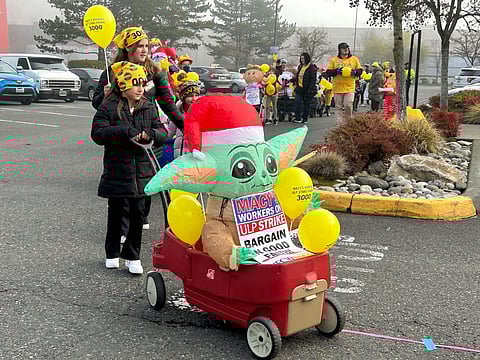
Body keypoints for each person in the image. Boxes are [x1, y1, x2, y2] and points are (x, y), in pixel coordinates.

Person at [91, 27, 184, 231]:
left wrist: (187, 126)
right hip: (121, 136)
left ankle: (139, 217)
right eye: (139, 46)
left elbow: (168, 105)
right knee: (123, 184)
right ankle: (123, 230)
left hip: (148, 135)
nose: (144, 50)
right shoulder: (111, 72)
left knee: (146, 184)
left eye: (146, 46)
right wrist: (105, 95)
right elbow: (97, 104)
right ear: (127, 50)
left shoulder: (155, 72)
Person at [91, 61, 168, 274]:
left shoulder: (148, 106)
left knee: (138, 214)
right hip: (118, 169)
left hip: (143, 171)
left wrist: (151, 135)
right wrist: (123, 131)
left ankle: (133, 256)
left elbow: (162, 131)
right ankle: (112, 252)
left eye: (142, 84)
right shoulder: (108, 106)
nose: (140, 88)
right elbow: (98, 134)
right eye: (135, 84)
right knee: (116, 212)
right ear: (123, 86)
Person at [325, 42, 362, 125]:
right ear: (339, 50)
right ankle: (339, 125)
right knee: (338, 107)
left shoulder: (354, 59)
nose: (346, 50)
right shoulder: (334, 60)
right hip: (337, 87)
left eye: (347, 48)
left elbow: (360, 71)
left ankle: (348, 122)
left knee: (348, 105)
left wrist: (355, 72)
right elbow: (328, 72)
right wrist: (337, 71)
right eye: (344, 48)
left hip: (349, 87)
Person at [169, 72, 201, 158]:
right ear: (183, 97)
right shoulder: (177, 112)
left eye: (196, 95)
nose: (194, 99)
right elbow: (170, 131)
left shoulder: (202, 113)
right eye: (190, 96)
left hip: (197, 154)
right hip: (180, 154)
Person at [293, 52, 317, 124]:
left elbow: (313, 79)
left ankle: (305, 118)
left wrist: (310, 89)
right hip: (300, 89)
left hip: (308, 89)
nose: (302, 59)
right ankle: (298, 118)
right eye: (301, 58)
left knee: (307, 104)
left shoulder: (311, 67)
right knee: (297, 102)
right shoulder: (300, 66)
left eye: (303, 58)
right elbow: (298, 77)